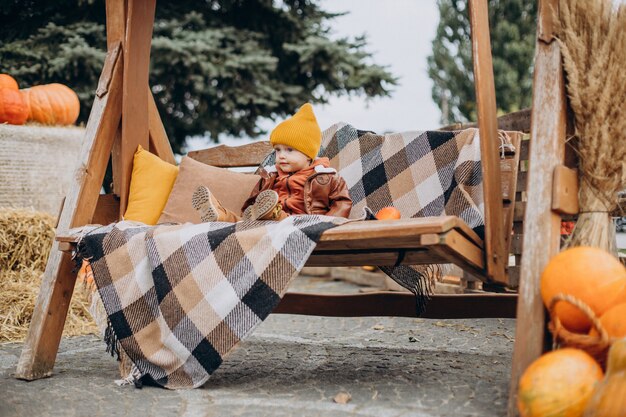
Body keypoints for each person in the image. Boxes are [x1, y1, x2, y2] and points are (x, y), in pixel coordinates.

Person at [192, 103, 352, 222]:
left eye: (289, 150)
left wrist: (329, 223)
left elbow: (342, 202)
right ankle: (218, 214)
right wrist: (251, 211)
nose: (281, 155)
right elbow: (251, 203)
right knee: (241, 223)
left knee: (274, 216)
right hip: (265, 223)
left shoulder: (325, 177)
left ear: (308, 155)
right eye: (278, 150)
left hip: (300, 223)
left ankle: (271, 212)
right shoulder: (270, 177)